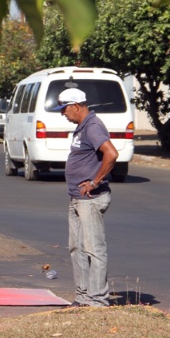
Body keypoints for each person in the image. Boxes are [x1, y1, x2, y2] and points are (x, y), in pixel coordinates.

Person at [51, 87, 118, 308]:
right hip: (77, 199)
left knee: (93, 249)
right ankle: (83, 296)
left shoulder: (93, 126)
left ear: (76, 106)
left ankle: (98, 299)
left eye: (64, 109)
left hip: (91, 199)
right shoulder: (82, 127)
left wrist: (95, 181)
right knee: (76, 248)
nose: (63, 114)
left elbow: (111, 153)